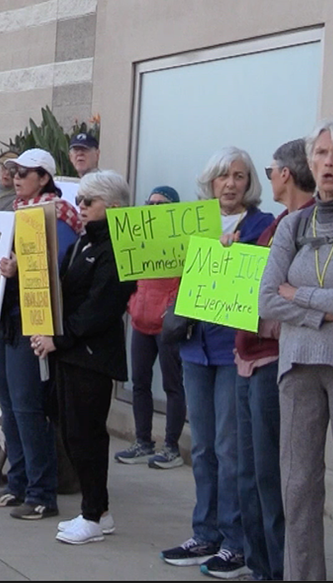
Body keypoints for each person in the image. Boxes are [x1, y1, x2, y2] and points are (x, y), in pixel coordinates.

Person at [259, 120, 333, 581]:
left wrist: (299, 297)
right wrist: (328, 310)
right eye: (321, 154)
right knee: (298, 487)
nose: (329, 162)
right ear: (310, 163)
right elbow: (267, 297)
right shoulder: (295, 224)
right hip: (297, 365)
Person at [161, 147, 273, 579]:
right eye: (223, 176)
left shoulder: (262, 225)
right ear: (209, 182)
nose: (230, 183)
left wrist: (236, 251)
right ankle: (204, 532)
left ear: (250, 184)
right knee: (203, 447)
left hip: (232, 350)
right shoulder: (195, 225)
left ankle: (236, 542)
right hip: (194, 346)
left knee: (230, 450)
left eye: (240, 176)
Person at [29, 170, 135, 544]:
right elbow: (60, 288)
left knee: (86, 435)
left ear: (115, 206)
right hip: (70, 352)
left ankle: (92, 513)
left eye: (90, 201)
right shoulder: (82, 243)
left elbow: (101, 306)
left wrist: (60, 337)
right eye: (81, 200)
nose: (82, 207)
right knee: (72, 432)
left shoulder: (119, 249)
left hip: (92, 355)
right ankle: (98, 510)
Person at [0, 148, 82, 520]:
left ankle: (42, 492)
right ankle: (18, 483)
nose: (17, 176)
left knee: (27, 407)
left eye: (26, 171)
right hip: (2, 317)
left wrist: (19, 267)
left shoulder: (58, 216)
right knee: (8, 405)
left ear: (45, 177)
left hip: (30, 320)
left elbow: (57, 266)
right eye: (14, 170)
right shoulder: (13, 213)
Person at [232, 139, 315, 581]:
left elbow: (289, 295)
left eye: (269, 171)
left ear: (285, 174)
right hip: (247, 355)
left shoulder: (307, 225)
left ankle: (281, 569)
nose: (269, 179)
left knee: (271, 475)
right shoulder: (278, 224)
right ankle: (258, 562)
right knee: (249, 472)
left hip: (274, 360)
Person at [115, 185, 185, 468]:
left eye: (161, 204)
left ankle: (172, 448)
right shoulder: (139, 237)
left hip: (167, 324)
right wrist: (132, 303)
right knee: (140, 383)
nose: (153, 208)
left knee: (172, 386)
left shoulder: (182, 238)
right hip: (141, 321)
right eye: (150, 203)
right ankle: (143, 441)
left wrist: (173, 307)